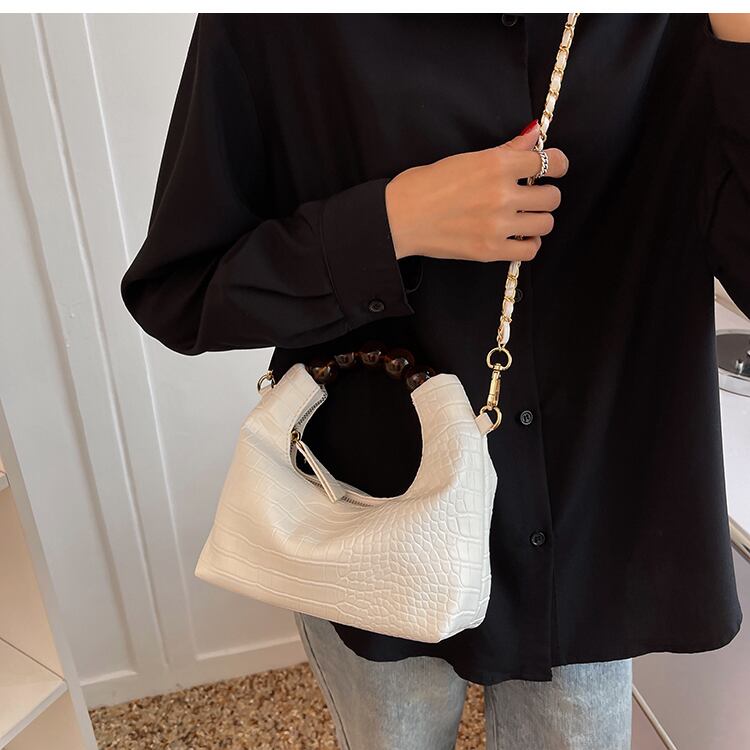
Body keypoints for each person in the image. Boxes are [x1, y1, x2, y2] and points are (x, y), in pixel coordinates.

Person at [120, 13, 750, 749]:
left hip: (589, 528)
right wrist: (393, 222)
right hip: (370, 512)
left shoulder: (680, 24)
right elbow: (181, 290)